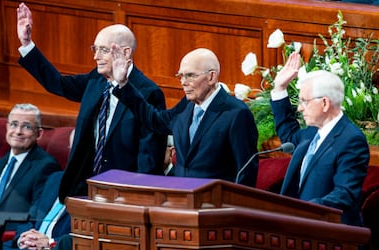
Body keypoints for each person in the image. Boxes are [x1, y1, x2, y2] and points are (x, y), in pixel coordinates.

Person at [16, 2, 166, 201]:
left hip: (124, 196)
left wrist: (137, 201)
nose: (96, 56)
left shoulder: (149, 93)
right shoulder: (95, 80)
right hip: (85, 189)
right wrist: (27, 45)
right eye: (95, 49)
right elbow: (57, 83)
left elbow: (149, 159)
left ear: (126, 52)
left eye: (103, 50)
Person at [110, 46, 259, 186]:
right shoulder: (186, 106)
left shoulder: (236, 113)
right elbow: (155, 121)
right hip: (181, 201)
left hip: (216, 206)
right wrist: (124, 84)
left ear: (211, 77)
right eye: (181, 76)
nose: (183, 82)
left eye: (190, 76)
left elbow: (246, 171)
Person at [270, 51, 369, 226]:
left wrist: (302, 210)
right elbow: (288, 135)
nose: (300, 109)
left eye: (304, 101)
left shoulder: (351, 140)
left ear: (324, 103)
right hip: (301, 230)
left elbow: (344, 194)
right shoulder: (311, 132)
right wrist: (279, 89)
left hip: (333, 238)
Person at [0, 103, 61, 239]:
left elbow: (35, 218)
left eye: (26, 127)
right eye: (14, 124)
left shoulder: (45, 166)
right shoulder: (3, 161)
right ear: (7, 127)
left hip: (3, 239)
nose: (18, 131)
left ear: (39, 134)